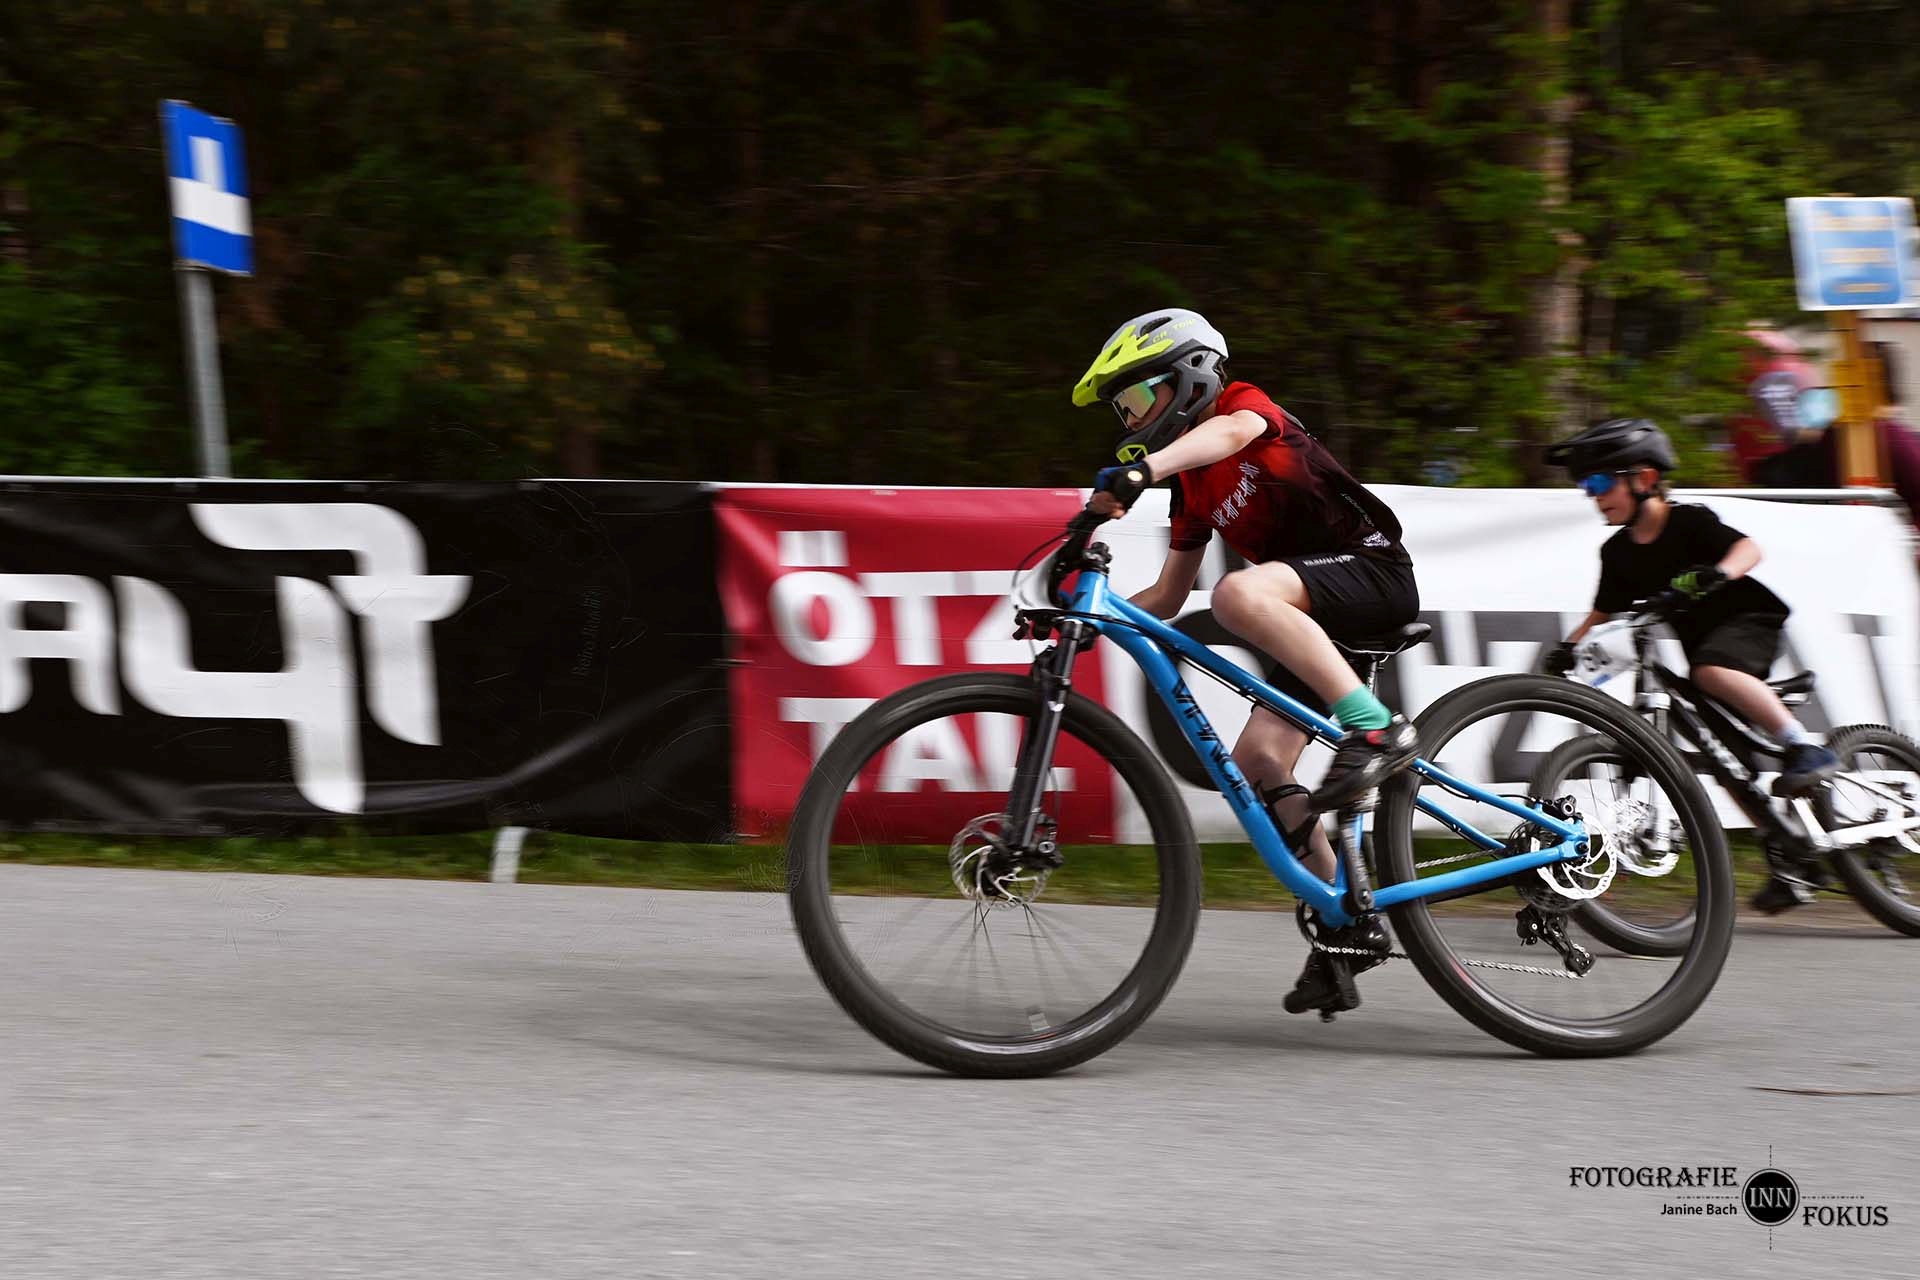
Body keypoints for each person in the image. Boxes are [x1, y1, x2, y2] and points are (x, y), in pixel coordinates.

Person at [1073, 307, 1420, 1011]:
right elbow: (1169, 596)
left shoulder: (1242, 406)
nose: (1130, 419)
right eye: (1121, 410)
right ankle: (1347, 920)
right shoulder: (1192, 489)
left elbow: (1232, 434)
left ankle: (1379, 729)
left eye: (1136, 397)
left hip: (1371, 573)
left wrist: (1143, 470)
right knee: (1259, 760)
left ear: (1190, 376)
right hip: (1315, 616)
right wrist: (1090, 615)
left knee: (1237, 593)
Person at [1542, 417, 1840, 914]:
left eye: (1600, 482)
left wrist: (1717, 572)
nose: (1593, 496)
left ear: (1644, 478)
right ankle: (1791, 856)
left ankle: (1803, 747)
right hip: (1701, 646)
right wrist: (1569, 647)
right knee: (1722, 761)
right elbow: (1602, 613)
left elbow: (1749, 549)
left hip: (1748, 621)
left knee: (1708, 673)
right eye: (1586, 487)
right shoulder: (1616, 553)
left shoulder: (1689, 522)